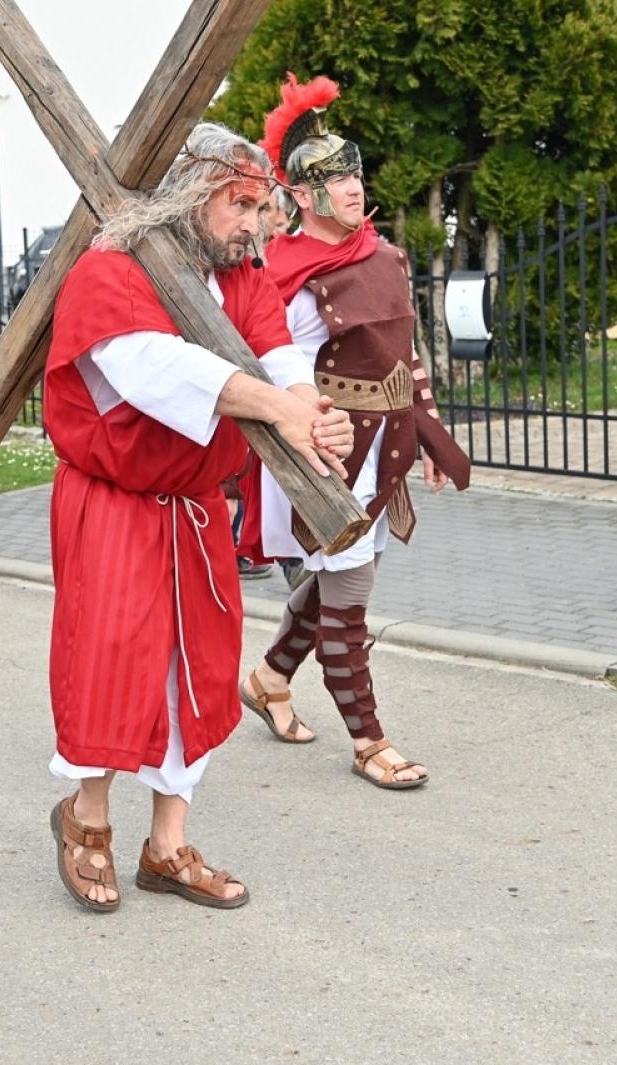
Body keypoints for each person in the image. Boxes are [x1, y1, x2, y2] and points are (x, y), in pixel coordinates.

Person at [44, 120, 354, 913]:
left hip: (193, 509)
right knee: (113, 661)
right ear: (186, 194)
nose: (253, 224)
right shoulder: (108, 272)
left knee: (196, 669)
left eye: (261, 206)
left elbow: (278, 358)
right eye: (238, 203)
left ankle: (167, 844)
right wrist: (280, 408)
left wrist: (316, 412)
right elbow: (156, 368)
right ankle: (85, 820)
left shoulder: (242, 279)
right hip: (114, 502)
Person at [239, 75, 469, 788]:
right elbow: (264, 372)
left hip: (386, 445)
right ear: (303, 197)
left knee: (338, 581)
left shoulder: (385, 255)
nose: (352, 186)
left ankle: (271, 677)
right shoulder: (281, 274)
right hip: (326, 453)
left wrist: (428, 431)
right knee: (349, 590)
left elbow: (406, 355)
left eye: (356, 173)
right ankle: (369, 740)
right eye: (336, 177)